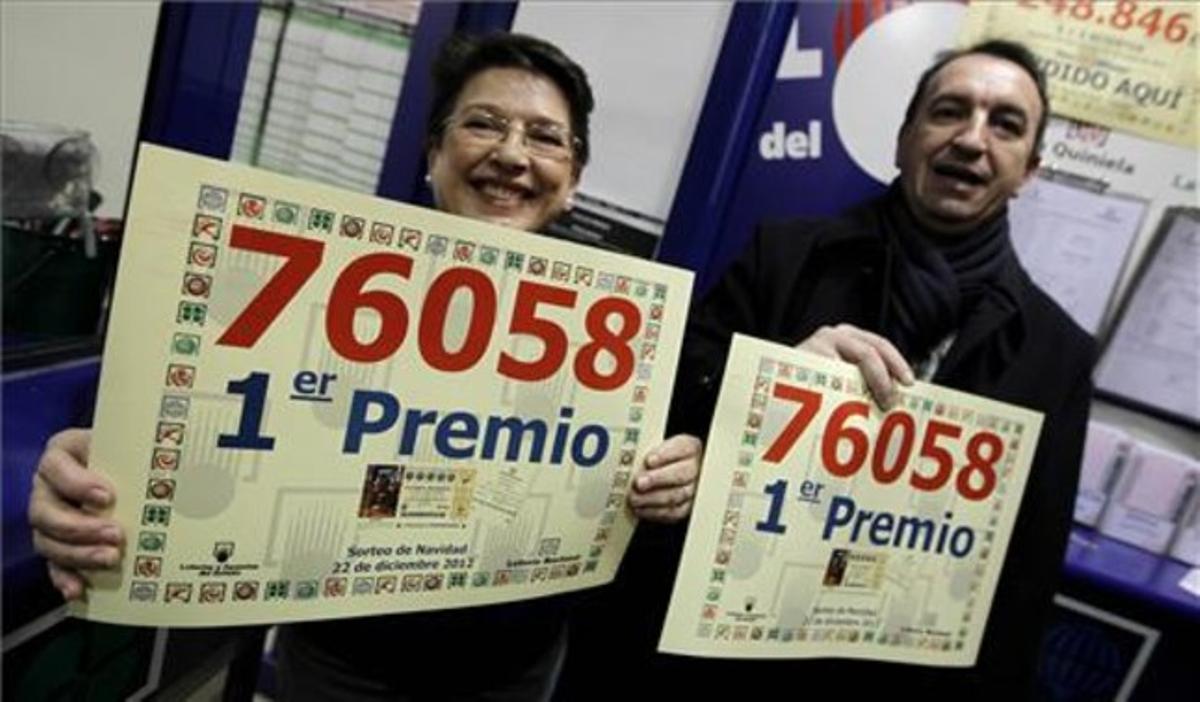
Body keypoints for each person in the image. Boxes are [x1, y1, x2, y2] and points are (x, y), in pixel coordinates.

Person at [27, 32, 702, 701]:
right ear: (434, 154)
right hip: (340, 663)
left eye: (545, 137)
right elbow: (182, 374)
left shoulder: (622, 331)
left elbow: (645, 473)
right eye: (483, 124)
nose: (512, 154)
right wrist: (96, 458)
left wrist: (675, 477)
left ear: (573, 180)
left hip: (516, 668)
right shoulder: (327, 269)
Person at [562, 39, 1093, 699]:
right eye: (949, 112)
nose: (971, 138)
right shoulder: (783, 254)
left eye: (1005, 124)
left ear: (1028, 170)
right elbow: (653, 406)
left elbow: (1023, 575)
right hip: (707, 661)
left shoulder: (1059, 352)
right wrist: (772, 380)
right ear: (904, 139)